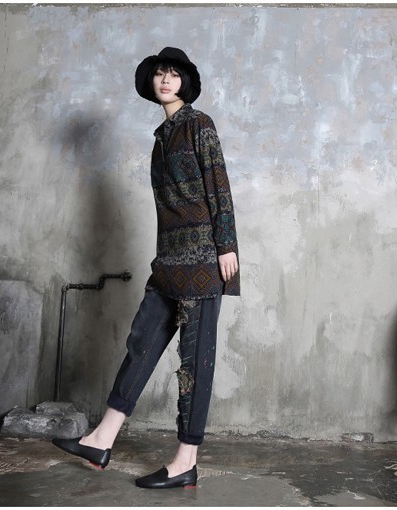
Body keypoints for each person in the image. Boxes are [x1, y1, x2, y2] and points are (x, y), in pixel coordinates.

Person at [52, 47, 240, 490]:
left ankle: (185, 461)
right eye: (160, 74)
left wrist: (227, 245)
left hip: (202, 261)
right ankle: (101, 439)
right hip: (169, 261)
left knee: (195, 362)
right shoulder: (161, 137)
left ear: (185, 82)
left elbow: (219, 186)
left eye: (173, 74)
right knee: (142, 344)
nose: (166, 79)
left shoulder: (199, 125)